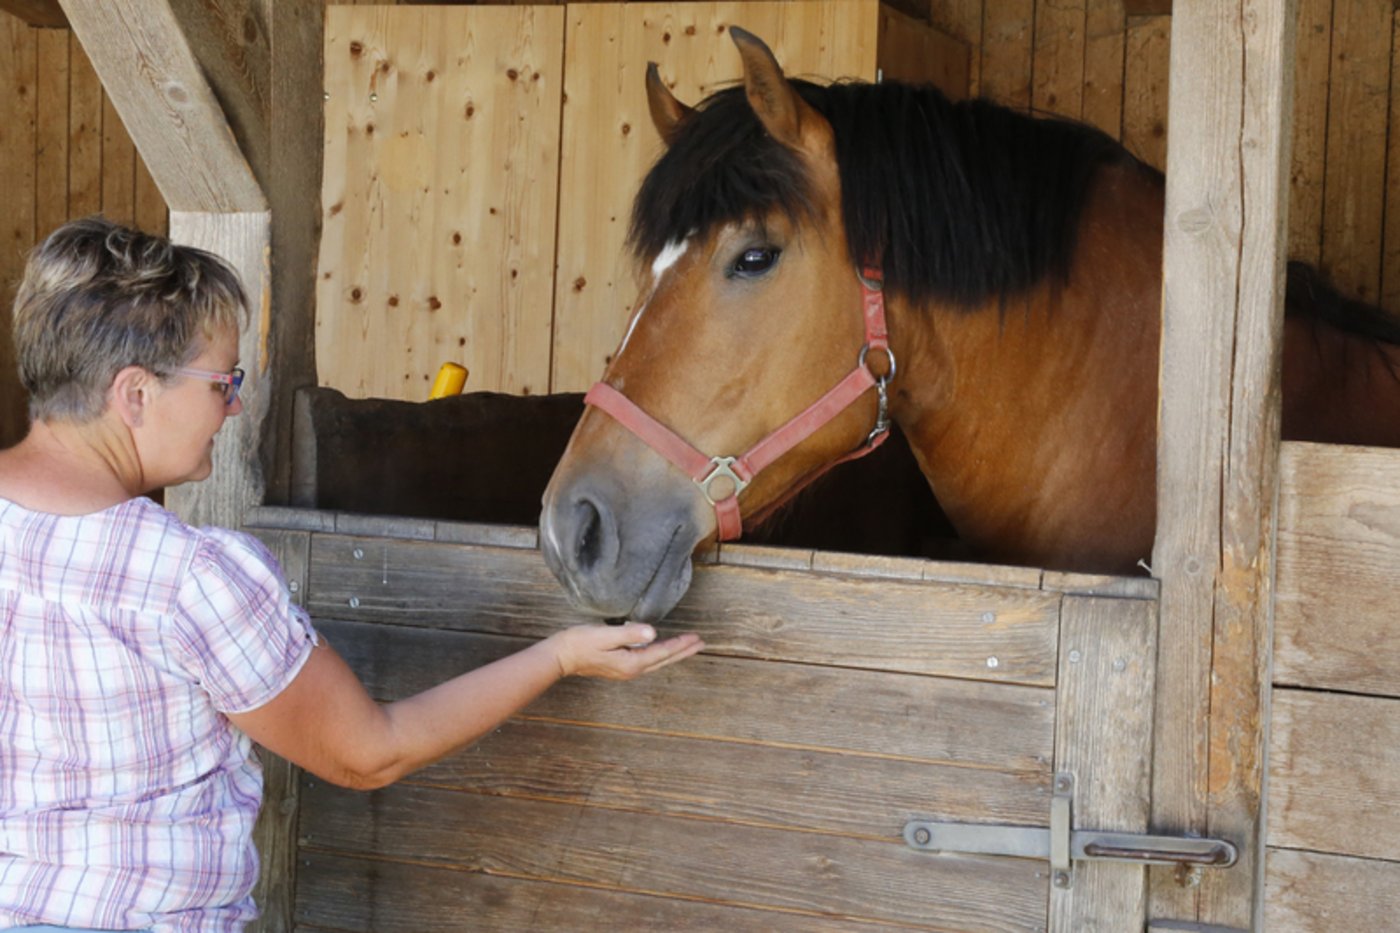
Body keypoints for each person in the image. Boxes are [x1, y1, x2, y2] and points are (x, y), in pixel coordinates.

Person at [0, 216, 704, 932]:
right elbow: (368, 754)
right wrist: (557, 655)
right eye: (223, 381)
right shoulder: (187, 578)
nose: (236, 403)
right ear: (135, 395)